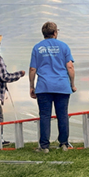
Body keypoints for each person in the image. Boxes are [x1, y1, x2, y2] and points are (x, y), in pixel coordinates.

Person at [29, 22, 76, 153]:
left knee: (44, 116)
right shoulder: (64, 46)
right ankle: (64, 144)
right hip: (62, 85)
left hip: (44, 86)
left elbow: (33, 68)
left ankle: (44, 146)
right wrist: (72, 84)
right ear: (55, 33)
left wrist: (31, 86)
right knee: (62, 115)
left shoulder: (37, 48)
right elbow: (70, 67)